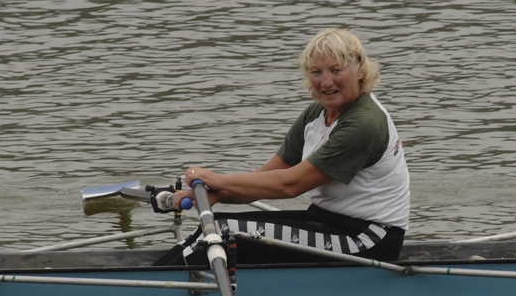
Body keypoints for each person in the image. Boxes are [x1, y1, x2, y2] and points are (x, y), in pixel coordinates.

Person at [159, 28, 410, 266]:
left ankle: (153, 291)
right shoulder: (316, 114)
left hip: (369, 239)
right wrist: (213, 194)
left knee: (225, 233)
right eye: (316, 72)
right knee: (213, 225)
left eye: (336, 70)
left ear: (360, 71)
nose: (325, 82)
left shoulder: (364, 124)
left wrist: (216, 179)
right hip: (326, 222)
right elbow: (265, 178)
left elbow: (289, 186)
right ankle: (151, 278)